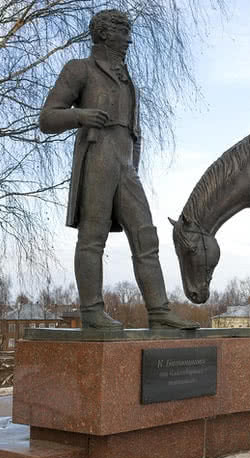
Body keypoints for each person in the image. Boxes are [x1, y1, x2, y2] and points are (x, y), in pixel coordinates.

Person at [39, 10, 197, 330]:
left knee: (146, 235)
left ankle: (159, 310)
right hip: (97, 157)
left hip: (126, 166)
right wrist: (80, 116)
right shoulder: (79, 69)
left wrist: (134, 165)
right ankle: (92, 311)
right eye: (124, 33)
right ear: (105, 34)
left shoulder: (126, 77)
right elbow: (47, 118)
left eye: (128, 33)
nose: (129, 39)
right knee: (92, 237)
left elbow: (134, 130)